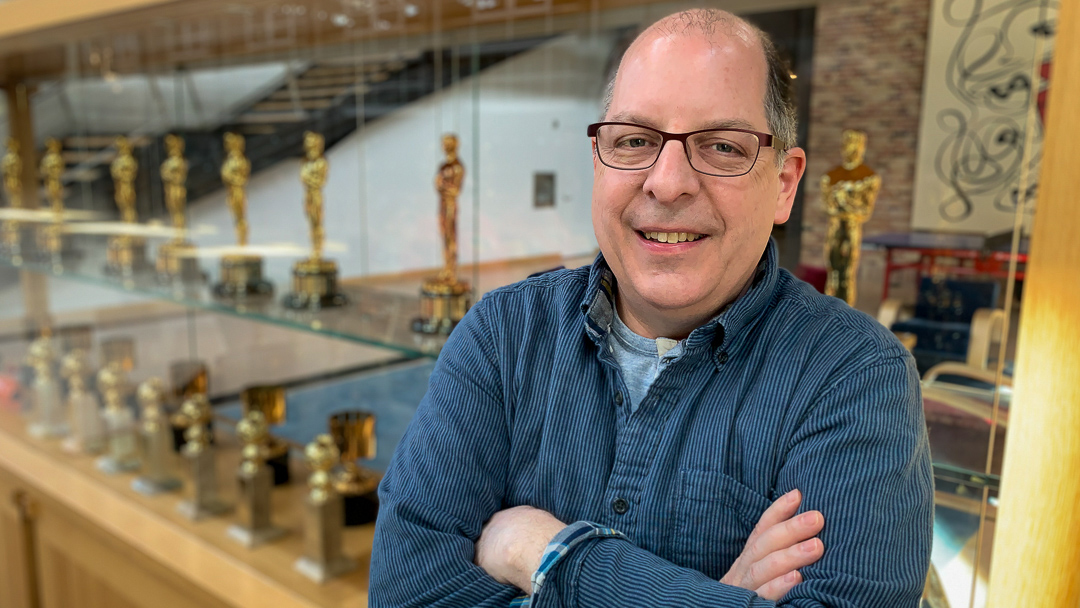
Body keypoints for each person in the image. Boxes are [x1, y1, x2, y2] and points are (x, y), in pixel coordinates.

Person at [371, 8, 932, 608]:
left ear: (785, 184)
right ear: (598, 160)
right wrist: (713, 598)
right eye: (635, 141)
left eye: (721, 147)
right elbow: (410, 596)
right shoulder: (504, 336)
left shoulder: (854, 378)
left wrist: (549, 555)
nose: (667, 183)